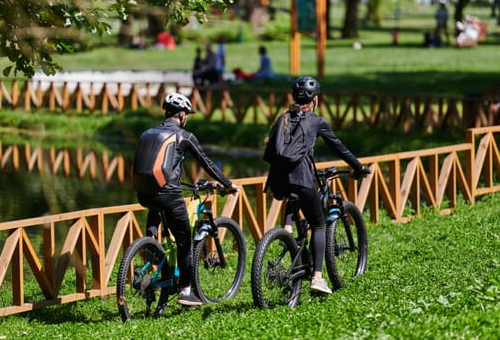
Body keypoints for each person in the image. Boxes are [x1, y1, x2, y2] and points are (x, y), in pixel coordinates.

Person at [264, 76, 370, 294]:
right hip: (301, 178)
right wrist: (359, 167)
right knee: (319, 224)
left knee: (292, 196)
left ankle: (287, 231)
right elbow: (339, 147)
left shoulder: (282, 118)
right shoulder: (315, 121)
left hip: (277, 181)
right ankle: (318, 278)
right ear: (315, 100)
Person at [133, 92, 238, 307]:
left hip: (144, 194)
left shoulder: (147, 133)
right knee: (184, 241)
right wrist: (228, 184)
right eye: (187, 115)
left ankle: (150, 246)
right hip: (169, 194)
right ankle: (186, 291)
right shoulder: (184, 136)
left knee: (157, 206)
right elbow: (207, 164)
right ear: (182, 116)